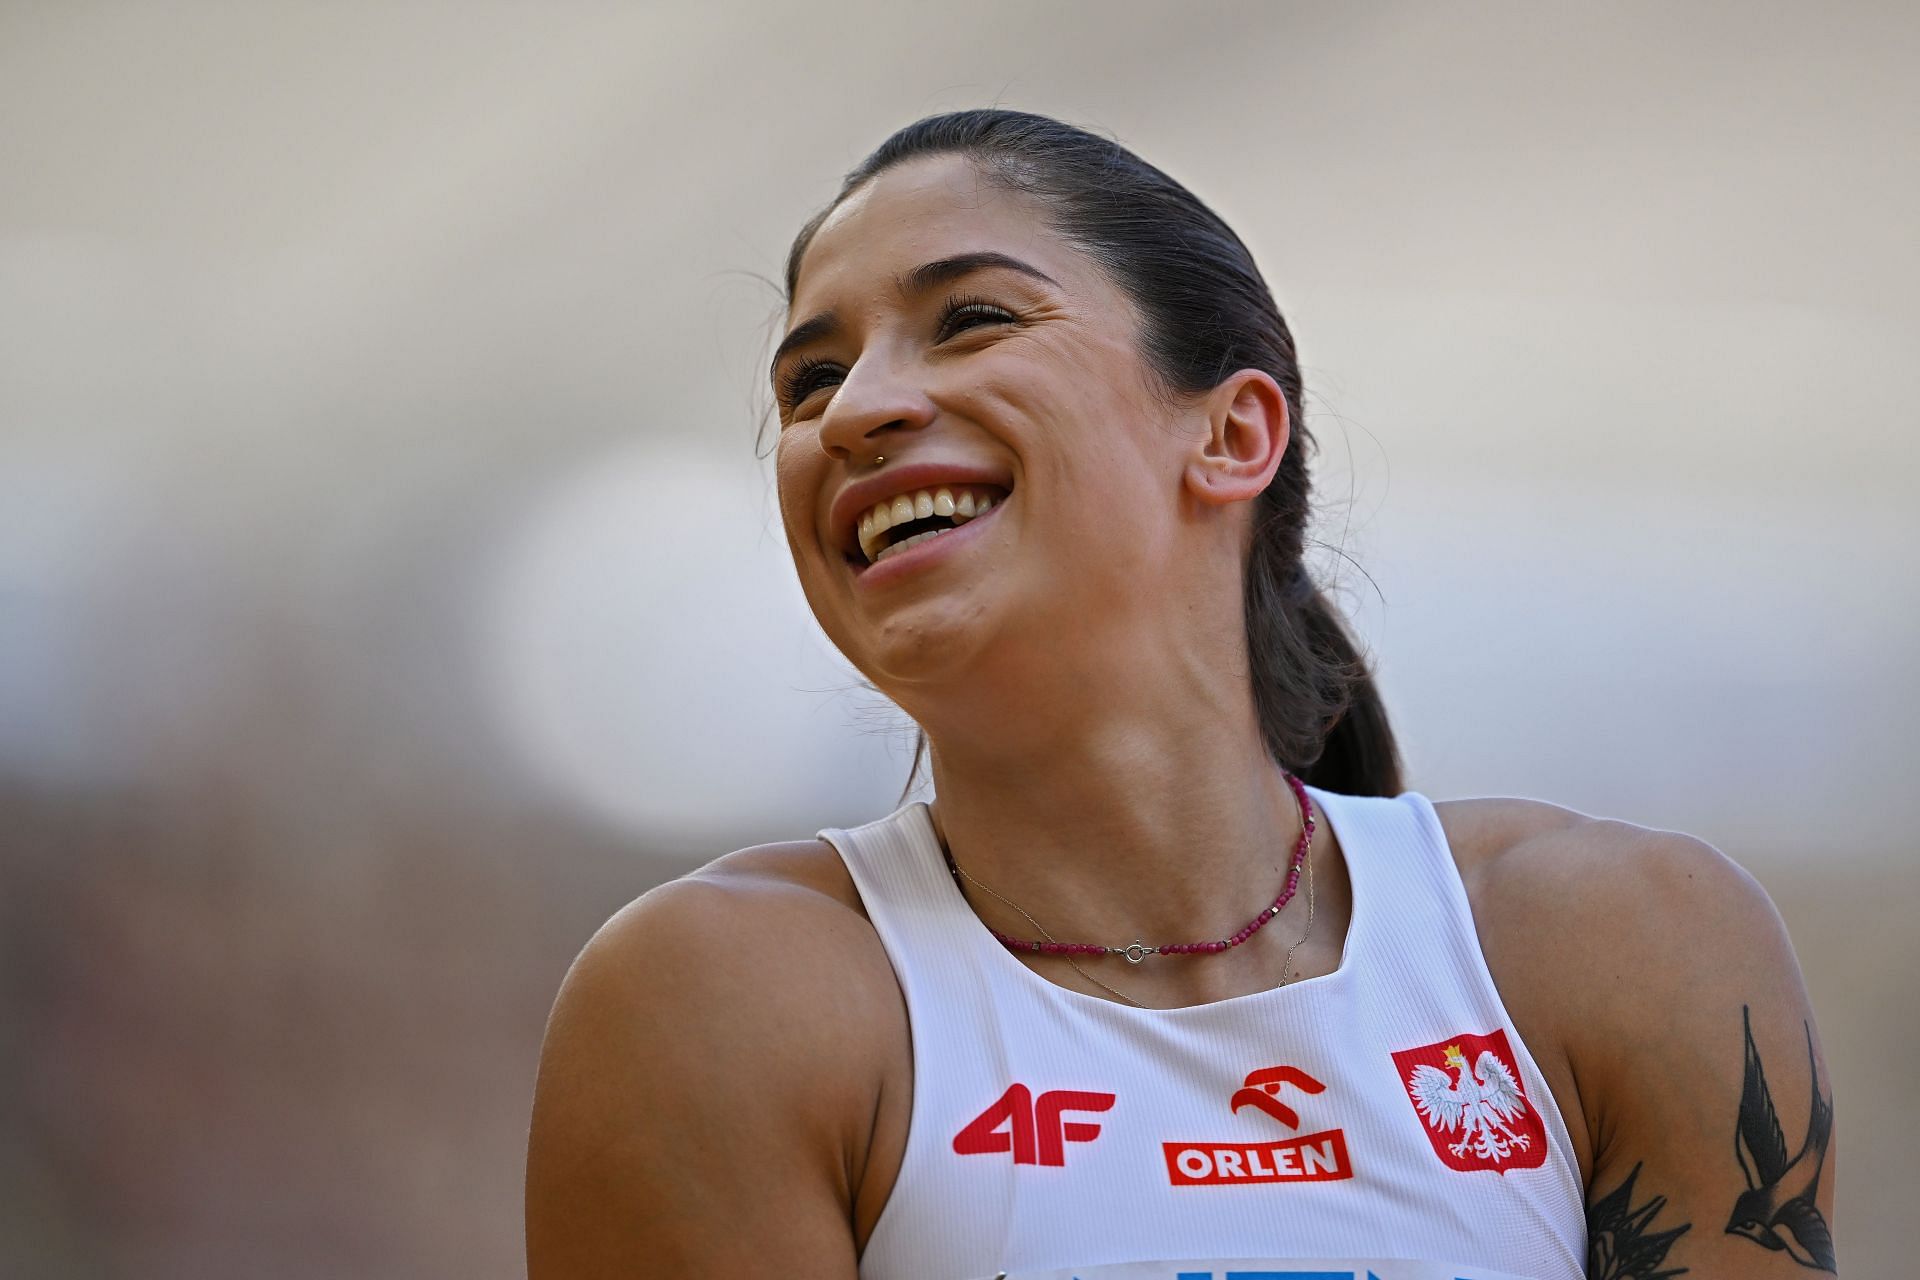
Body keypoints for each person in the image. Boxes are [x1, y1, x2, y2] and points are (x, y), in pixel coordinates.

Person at [524, 110, 1838, 1280]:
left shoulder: (1618, 947)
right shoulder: (721, 997)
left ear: (1230, 434)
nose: (855, 409)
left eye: (972, 318)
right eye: (810, 380)